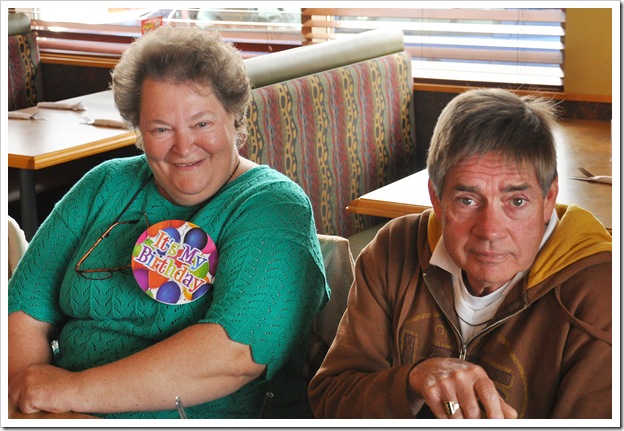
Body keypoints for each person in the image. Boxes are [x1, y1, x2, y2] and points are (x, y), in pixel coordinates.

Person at [8, 26, 329, 419]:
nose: (183, 146)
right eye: (161, 129)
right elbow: (23, 309)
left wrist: (68, 393)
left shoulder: (270, 205)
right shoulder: (106, 184)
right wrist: (29, 402)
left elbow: (233, 355)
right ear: (139, 131)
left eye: (202, 124)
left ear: (234, 117)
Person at [308, 88, 612, 419]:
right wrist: (412, 380)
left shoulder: (601, 291)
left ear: (549, 199)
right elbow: (331, 400)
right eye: (467, 200)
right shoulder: (394, 248)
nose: (490, 230)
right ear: (437, 199)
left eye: (516, 201)